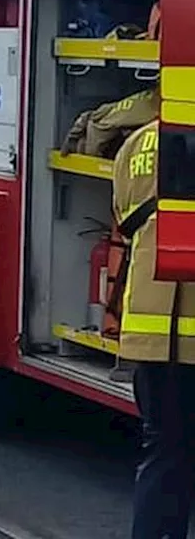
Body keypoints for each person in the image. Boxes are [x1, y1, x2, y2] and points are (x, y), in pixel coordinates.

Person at [113, 120, 195, 539]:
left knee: (162, 449)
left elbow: (124, 219)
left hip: (147, 329)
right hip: (189, 337)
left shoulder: (138, 141)